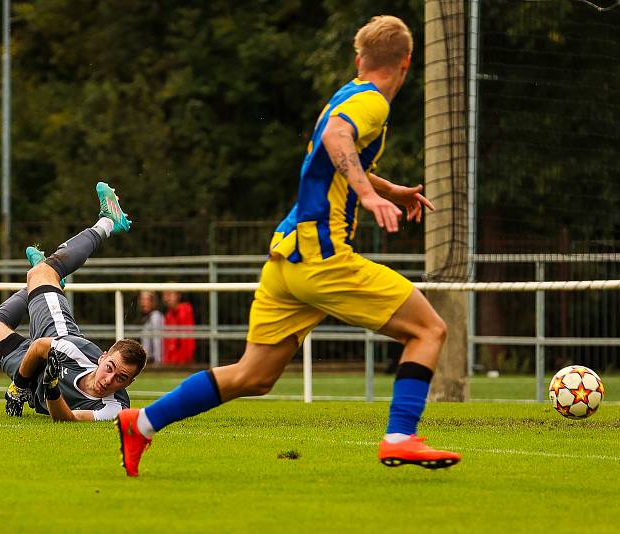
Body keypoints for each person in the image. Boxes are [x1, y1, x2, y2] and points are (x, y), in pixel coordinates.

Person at [114, 16, 461, 476]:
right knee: (428, 330)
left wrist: (388, 187)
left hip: (288, 258)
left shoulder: (346, 94)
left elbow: (330, 150)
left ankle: (142, 422)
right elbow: (339, 139)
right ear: (406, 62)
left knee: (252, 376)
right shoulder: (373, 102)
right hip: (322, 257)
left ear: (359, 59)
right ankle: (400, 436)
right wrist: (370, 194)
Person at [0, 182, 147, 422]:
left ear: (130, 382)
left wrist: (51, 386)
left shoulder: (115, 406)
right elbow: (40, 347)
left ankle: (46, 279)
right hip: (52, 335)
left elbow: (68, 420)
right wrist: (18, 387)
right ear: (102, 357)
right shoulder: (74, 351)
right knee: (40, 275)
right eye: (110, 367)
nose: (109, 379)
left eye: (121, 378)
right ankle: (107, 223)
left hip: (37, 377)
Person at [161, 289, 196, 365]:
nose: (167, 297)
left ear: (178, 295)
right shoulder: (168, 315)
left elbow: (188, 339)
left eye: (169, 294)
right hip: (170, 361)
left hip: (182, 361)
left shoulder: (185, 311)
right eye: (165, 294)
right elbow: (167, 341)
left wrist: (185, 359)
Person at [138, 291, 164, 364]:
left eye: (148, 299)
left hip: (154, 361)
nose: (144, 302)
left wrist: (158, 362)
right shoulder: (146, 318)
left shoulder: (155, 316)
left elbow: (157, 341)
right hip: (148, 361)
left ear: (153, 301)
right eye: (142, 299)